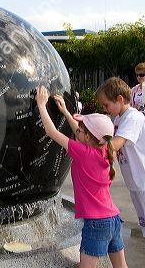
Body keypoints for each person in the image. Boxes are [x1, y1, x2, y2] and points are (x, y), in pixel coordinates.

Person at [36, 86, 128, 268]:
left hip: (96, 224)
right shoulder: (104, 149)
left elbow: (52, 132)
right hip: (114, 219)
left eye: (81, 130)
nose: (76, 130)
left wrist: (41, 105)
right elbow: (82, 132)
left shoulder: (83, 153)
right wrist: (64, 111)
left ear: (87, 137)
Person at [97, 77, 145, 238]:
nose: (105, 109)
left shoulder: (133, 117)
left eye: (106, 105)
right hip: (134, 182)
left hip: (142, 179)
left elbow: (115, 144)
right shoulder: (119, 118)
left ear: (119, 99)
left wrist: (89, 151)